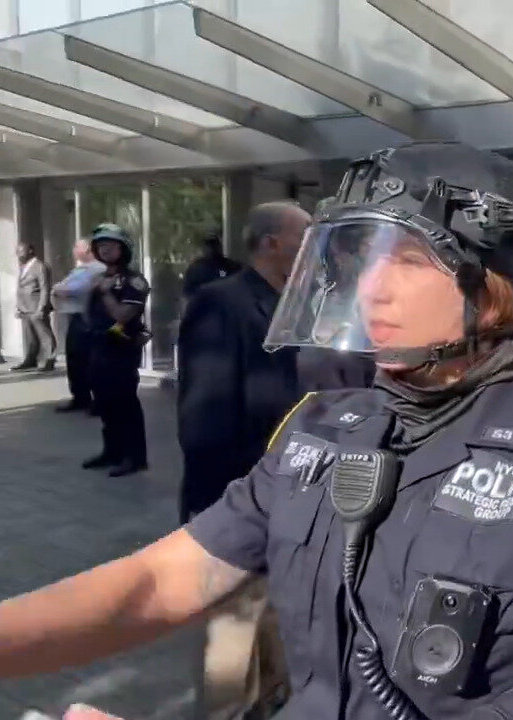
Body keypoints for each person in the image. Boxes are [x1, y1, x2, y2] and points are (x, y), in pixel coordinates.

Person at [0, 142, 513, 720]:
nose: (370, 291)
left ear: (490, 290)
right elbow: (162, 581)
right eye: (360, 261)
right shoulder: (322, 429)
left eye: (404, 259)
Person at [176, 201, 310, 720]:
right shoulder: (220, 303)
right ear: (271, 242)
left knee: (274, 631)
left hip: (288, 495)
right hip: (235, 498)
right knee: (232, 644)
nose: (311, 245)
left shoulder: (299, 304)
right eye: (303, 235)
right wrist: (225, 511)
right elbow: (203, 420)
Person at [81, 224, 150, 478]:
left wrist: (106, 292)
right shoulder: (100, 278)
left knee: (125, 404)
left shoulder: (134, 281)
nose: (105, 249)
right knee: (104, 403)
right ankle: (112, 451)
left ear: (123, 248)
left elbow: (123, 315)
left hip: (121, 350)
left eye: (110, 244)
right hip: (98, 348)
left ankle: (134, 457)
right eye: (100, 245)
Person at [50, 239, 105, 412]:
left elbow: (77, 289)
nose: (74, 250)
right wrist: (61, 289)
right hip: (76, 318)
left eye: (77, 247)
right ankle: (80, 397)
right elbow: (60, 287)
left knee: (91, 361)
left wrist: (62, 290)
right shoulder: (80, 269)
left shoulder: (97, 269)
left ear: (88, 250)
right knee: (75, 360)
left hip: (89, 319)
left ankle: (99, 401)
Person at [13, 240, 55, 372]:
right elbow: (21, 288)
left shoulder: (39, 266)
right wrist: (18, 307)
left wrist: (41, 307)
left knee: (44, 335)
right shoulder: (23, 267)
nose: (18, 254)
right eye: (17, 251)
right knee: (30, 337)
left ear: (30, 250)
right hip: (25, 308)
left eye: (21, 251)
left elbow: (45, 288)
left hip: (36, 307)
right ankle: (30, 359)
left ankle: (49, 359)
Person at [181, 228, 242, 300]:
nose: (211, 249)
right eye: (209, 245)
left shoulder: (230, 266)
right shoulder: (196, 268)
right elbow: (187, 292)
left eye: (214, 245)